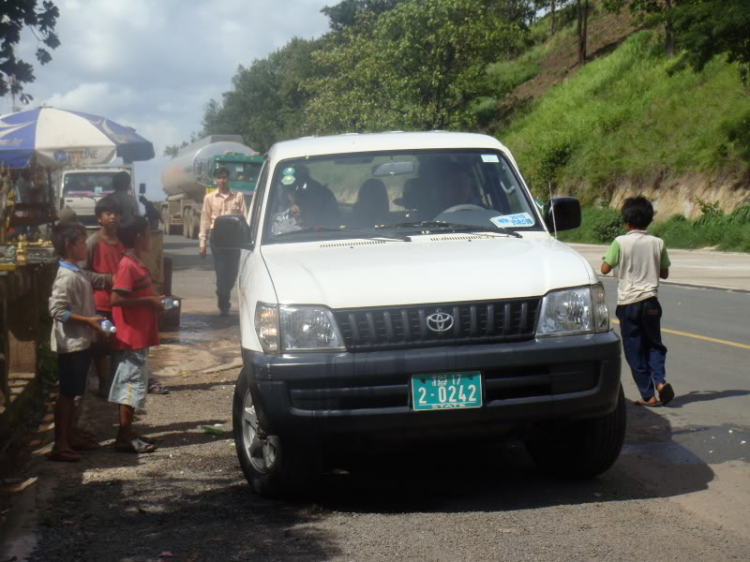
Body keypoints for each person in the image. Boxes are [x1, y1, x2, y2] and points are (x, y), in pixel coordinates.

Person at [601, 196, 675, 407]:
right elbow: (665, 273)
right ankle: (660, 382)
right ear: (649, 220)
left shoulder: (620, 242)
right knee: (654, 344)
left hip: (628, 303)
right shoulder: (658, 243)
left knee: (635, 349)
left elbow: (605, 269)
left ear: (626, 222)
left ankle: (648, 395)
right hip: (651, 302)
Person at [48, 221, 106, 462]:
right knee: (68, 394)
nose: (86, 246)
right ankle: (60, 444)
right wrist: (88, 321)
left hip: (80, 341)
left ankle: (70, 436)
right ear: (69, 245)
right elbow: (56, 310)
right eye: (82, 242)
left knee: (75, 392)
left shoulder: (76, 271)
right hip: (70, 344)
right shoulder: (66, 277)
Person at [109, 216, 164, 453]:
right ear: (139, 237)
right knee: (130, 386)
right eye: (148, 233)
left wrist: (152, 303)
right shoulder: (127, 265)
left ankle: (128, 432)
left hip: (138, 334)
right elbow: (117, 298)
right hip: (131, 336)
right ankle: (123, 437)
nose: (151, 237)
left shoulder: (134, 262)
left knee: (134, 385)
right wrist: (150, 300)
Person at [84, 195, 124, 398]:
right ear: (99, 218)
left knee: (118, 343)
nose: (113, 217)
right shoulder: (92, 242)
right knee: (100, 345)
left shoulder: (124, 242)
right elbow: (83, 272)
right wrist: (108, 279)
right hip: (100, 302)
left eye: (116, 213)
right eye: (108, 213)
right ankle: (102, 384)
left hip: (123, 302)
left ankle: (116, 383)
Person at [198, 167, 247, 315]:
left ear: (228, 179)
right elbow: (205, 220)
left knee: (232, 272)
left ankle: (223, 292)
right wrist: (202, 243)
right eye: (219, 178)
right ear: (215, 180)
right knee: (221, 272)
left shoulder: (238, 196)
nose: (222, 180)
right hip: (217, 237)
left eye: (224, 177)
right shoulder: (209, 198)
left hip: (233, 238)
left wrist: (247, 239)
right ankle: (223, 302)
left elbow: (245, 218)